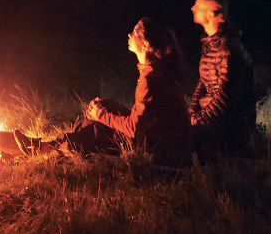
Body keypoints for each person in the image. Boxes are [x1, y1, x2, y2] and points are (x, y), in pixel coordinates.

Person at [77, 18, 191, 163]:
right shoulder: (156, 70)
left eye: (136, 32)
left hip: (162, 152)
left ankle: (60, 144)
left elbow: (134, 129)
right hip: (165, 143)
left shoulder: (150, 79)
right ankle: (68, 140)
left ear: (145, 44)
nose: (130, 34)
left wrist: (100, 115)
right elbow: (146, 116)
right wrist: (106, 110)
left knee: (98, 128)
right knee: (109, 105)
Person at [187, 0, 256, 157]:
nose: (192, 8)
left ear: (211, 13)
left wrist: (198, 120)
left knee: (179, 139)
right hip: (211, 118)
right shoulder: (210, 44)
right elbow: (203, 81)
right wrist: (191, 110)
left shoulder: (229, 49)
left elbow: (225, 100)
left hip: (231, 126)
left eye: (198, 5)